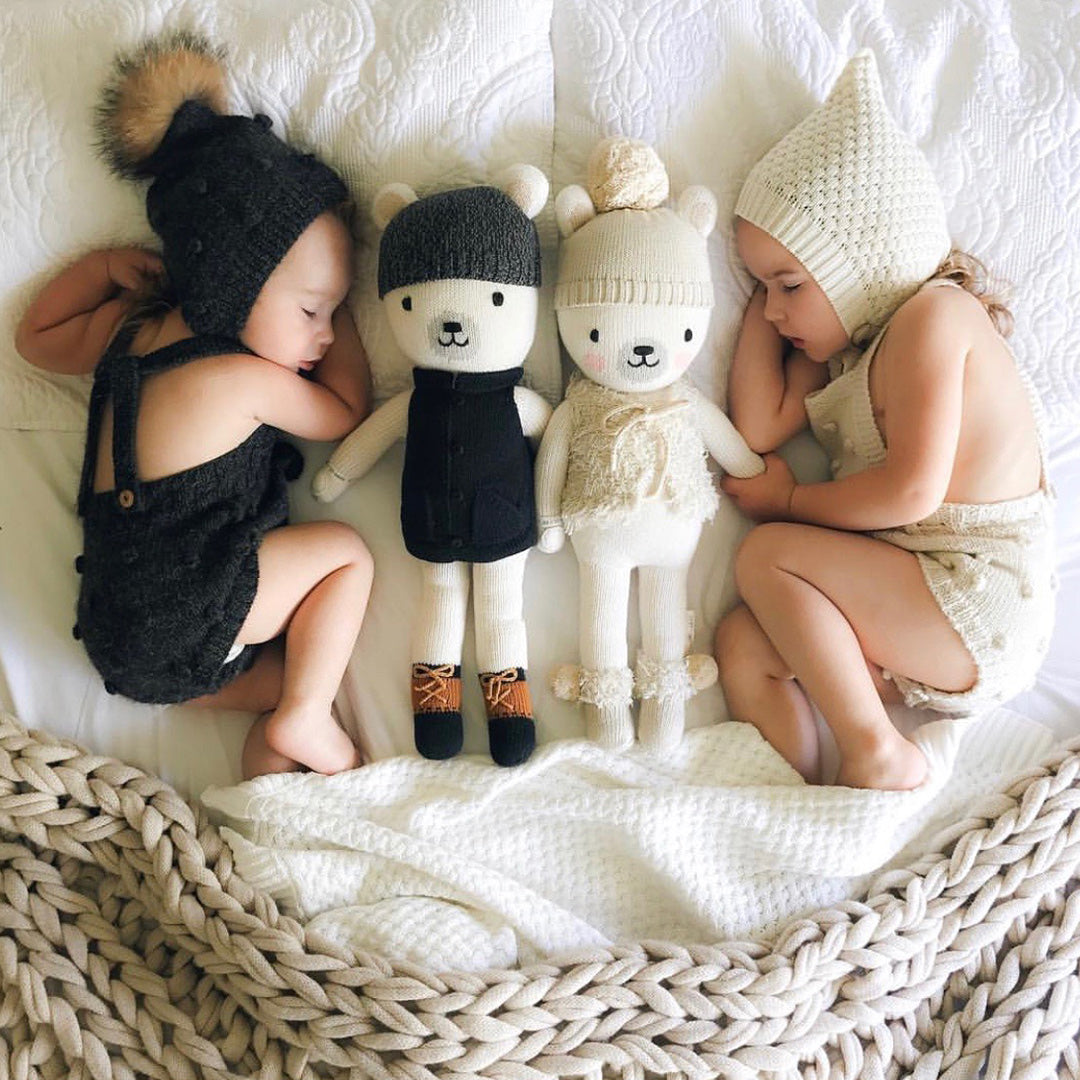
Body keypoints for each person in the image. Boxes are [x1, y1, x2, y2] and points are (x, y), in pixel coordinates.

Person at [15, 33, 374, 779]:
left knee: (292, 672)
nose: (322, 333)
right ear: (232, 287)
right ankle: (303, 720)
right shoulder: (241, 381)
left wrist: (101, 269)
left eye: (333, 312)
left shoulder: (128, 332)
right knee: (345, 556)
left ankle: (275, 757)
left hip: (123, 637)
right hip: (194, 604)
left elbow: (35, 339)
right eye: (313, 309)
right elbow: (344, 409)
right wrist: (350, 320)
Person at [714, 50, 1055, 791]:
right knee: (745, 640)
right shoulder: (849, 355)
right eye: (764, 289)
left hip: (977, 596)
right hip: (925, 609)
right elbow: (760, 427)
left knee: (766, 555)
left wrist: (790, 501)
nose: (774, 312)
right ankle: (797, 801)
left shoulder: (936, 319)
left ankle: (876, 751)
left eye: (789, 286)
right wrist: (765, 298)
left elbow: (911, 493)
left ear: (860, 266)